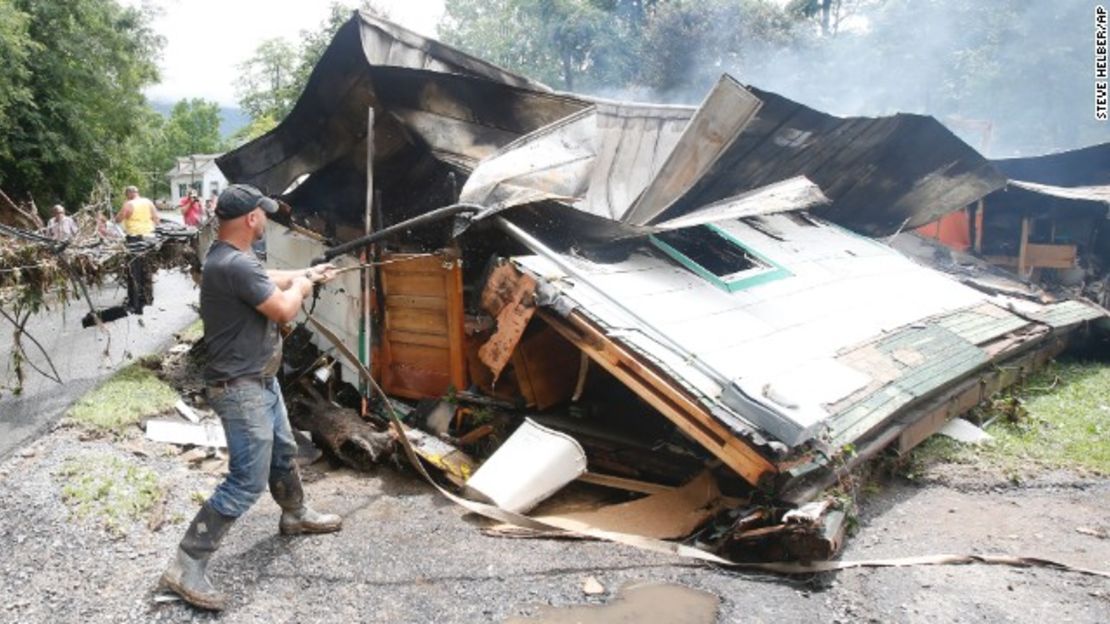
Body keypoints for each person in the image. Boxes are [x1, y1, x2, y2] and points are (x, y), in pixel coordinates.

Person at [159, 183, 341, 611]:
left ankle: (295, 514)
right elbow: (282, 309)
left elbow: (268, 280)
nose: (266, 220)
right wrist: (304, 288)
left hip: (260, 379)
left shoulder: (230, 260)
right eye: (264, 214)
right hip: (239, 388)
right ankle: (185, 564)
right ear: (252, 219)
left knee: (283, 451)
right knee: (245, 481)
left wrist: (303, 274)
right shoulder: (234, 265)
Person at [115, 186, 160, 313]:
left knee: (133, 272)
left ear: (129, 193)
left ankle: (134, 303)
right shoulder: (148, 202)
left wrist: (118, 215)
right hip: (149, 239)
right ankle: (147, 298)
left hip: (135, 239)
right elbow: (157, 219)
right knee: (146, 269)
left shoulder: (129, 204)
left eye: (126, 194)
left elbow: (118, 219)